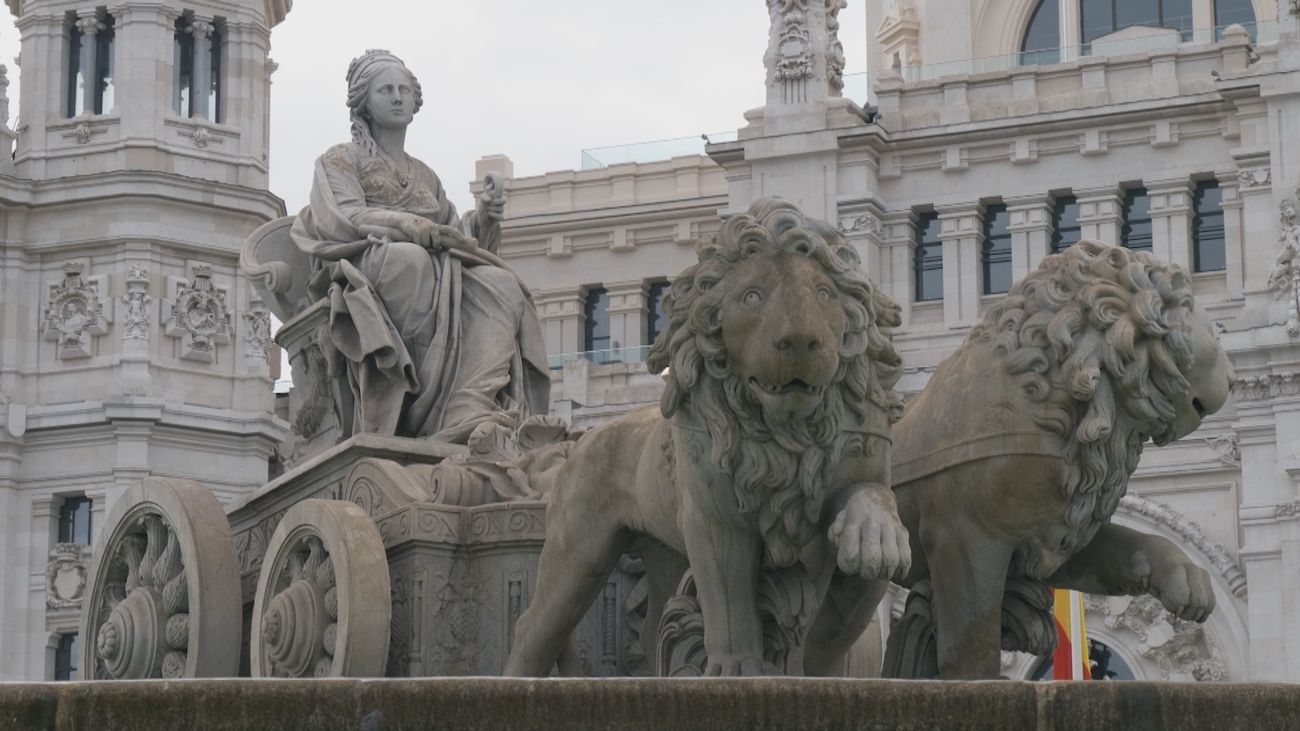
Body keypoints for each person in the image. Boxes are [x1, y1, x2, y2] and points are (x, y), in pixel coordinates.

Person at [291, 49, 549, 442]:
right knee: (413, 262)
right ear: (364, 101)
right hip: (367, 264)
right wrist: (407, 225)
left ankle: (467, 403)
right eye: (386, 89)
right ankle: (418, 409)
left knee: (501, 284)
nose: (397, 97)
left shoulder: (425, 176)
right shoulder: (340, 160)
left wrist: (486, 217)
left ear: (415, 102)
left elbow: (460, 240)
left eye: (404, 90)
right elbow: (346, 218)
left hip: (435, 266)